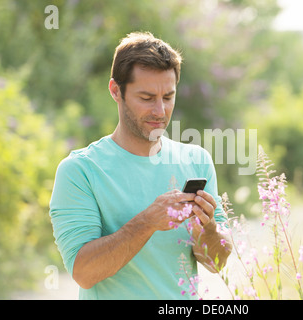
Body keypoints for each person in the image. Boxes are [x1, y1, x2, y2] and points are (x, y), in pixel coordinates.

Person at [49, 32, 232, 299]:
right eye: (146, 98)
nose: (160, 111)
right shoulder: (80, 171)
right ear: (115, 91)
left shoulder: (197, 160)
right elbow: (84, 272)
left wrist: (208, 230)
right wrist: (147, 222)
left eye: (168, 97)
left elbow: (216, 262)